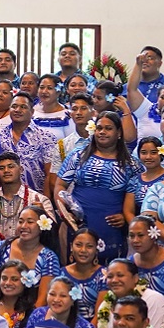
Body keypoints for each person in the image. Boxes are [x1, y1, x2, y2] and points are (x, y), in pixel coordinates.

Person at [54, 111, 141, 262]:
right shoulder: (78, 155)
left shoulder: (131, 163)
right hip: (77, 225)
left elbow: (140, 198)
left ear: (119, 132)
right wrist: (66, 213)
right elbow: (60, 186)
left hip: (112, 229)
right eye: (99, 128)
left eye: (108, 128)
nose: (102, 132)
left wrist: (126, 218)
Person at [0, 153, 55, 251]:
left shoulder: (39, 200)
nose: (6, 171)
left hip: (32, 259)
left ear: (21, 169)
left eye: (11, 166)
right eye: (1, 168)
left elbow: (52, 236)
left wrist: (42, 213)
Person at [0, 207, 60, 306]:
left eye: (30, 222)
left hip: (32, 312)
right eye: (20, 221)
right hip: (0, 309)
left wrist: (24, 319)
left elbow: (42, 300)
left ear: (41, 227)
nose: (23, 226)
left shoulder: (48, 257)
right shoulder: (1, 247)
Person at [93, 259, 164, 328]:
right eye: (110, 277)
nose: (114, 280)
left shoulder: (154, 300)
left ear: (135, 278)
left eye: (120, 275)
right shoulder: (105, 306)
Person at [1, 93, 57, 194]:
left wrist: (45, 202)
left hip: (36, 200)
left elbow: (50, 174)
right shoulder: (1, 136)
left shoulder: (45, 137)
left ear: (32, 112)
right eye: (14, 106)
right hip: (8, 198)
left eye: (23, 107)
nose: (17, 110)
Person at [59, 230, 106, 320]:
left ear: (96, 249)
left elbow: (100, 314)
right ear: (71, 247)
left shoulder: (104, 275)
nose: (83, 250)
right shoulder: (60, 274)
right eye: (78, 245)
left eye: (89, 246)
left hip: (95, 327)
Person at [126, 217, 164, 295]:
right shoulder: (129, 264)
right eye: (131, 236)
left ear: (153, 235)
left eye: (140, 235)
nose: (135, 240)